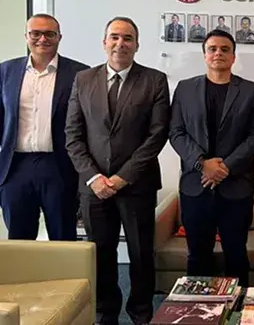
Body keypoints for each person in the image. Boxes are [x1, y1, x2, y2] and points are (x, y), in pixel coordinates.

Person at [65, 16, 171, 325]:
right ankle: (105, 314)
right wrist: (94, 177)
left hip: (137, 185)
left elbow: (157, 135)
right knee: (101, 254)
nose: (120, 43)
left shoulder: (154, 80)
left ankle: (141, 314)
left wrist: (123, 177)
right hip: (94, 187)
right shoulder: (84, 80)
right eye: (114, 37)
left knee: (140, 254)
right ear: (104, 42)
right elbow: (73, 135)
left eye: (127, 38)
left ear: (137, 45)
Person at [169, 29, 254, 287]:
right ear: (204, 55)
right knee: (198, 256)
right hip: (195, 186)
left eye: (225, 49)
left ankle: (236, 307)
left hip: (235, 187)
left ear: (234, 57)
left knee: (236, 255)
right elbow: (176, 132)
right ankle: (195, 307)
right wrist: (202, 163)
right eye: (212, 49)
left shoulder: (251, 91)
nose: (218, 53)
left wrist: (225, 167)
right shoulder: (185, 89)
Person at [0, 13, 89, 241]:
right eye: (36, 33)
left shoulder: (80, 74)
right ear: (26, 36)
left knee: (63, 238)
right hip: (15, 167)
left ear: (59, 37)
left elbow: (87, 123)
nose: (42, 39)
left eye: (49, 34)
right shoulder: (6, 71)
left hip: (59, 166)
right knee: (19, 241)